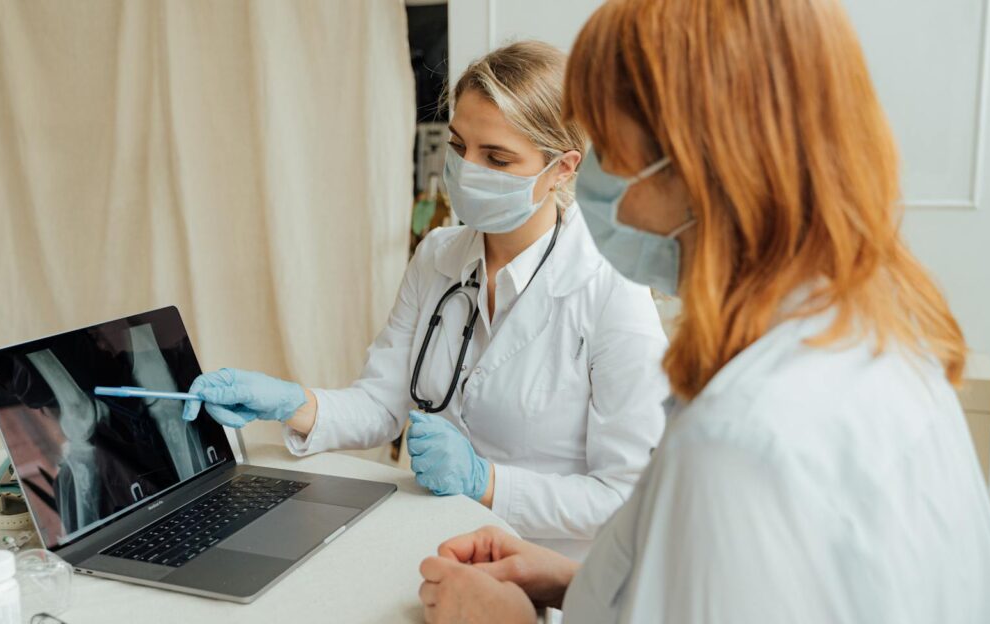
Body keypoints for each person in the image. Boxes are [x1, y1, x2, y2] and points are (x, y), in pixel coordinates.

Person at [416, 0, 990, 622]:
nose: (587, 176)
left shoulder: (743, 440)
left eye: (609, 151)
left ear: (702, 168)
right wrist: (572, 581)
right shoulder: (873, 337)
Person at [183, 41, 670, 558]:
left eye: (498, 157)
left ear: (563, 168)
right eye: (459, 147)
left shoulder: (610, 290)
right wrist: (290, 402)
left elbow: (627, 498)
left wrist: (485, 483)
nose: (469, 169)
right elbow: (381, 404)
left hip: (547, 573)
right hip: (434, 546)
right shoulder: (438, 255)